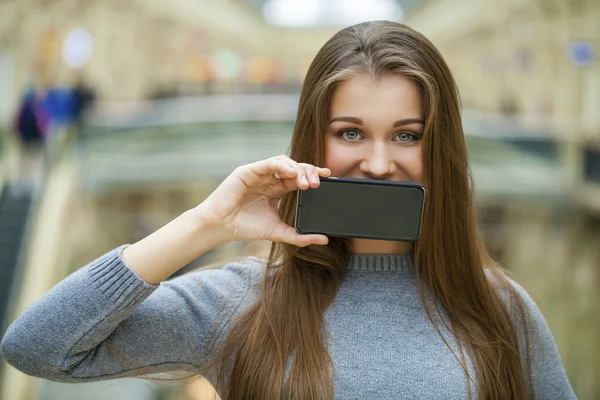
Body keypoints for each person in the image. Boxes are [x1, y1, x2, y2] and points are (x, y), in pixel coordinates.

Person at [0, 21, 576, 400]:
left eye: (406, 136)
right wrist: (207, 223)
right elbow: (37, 347)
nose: (377, 162)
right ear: (313, 142)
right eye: (350, 133)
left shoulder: (500, 309)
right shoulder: (240, 303)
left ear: (440, 149)